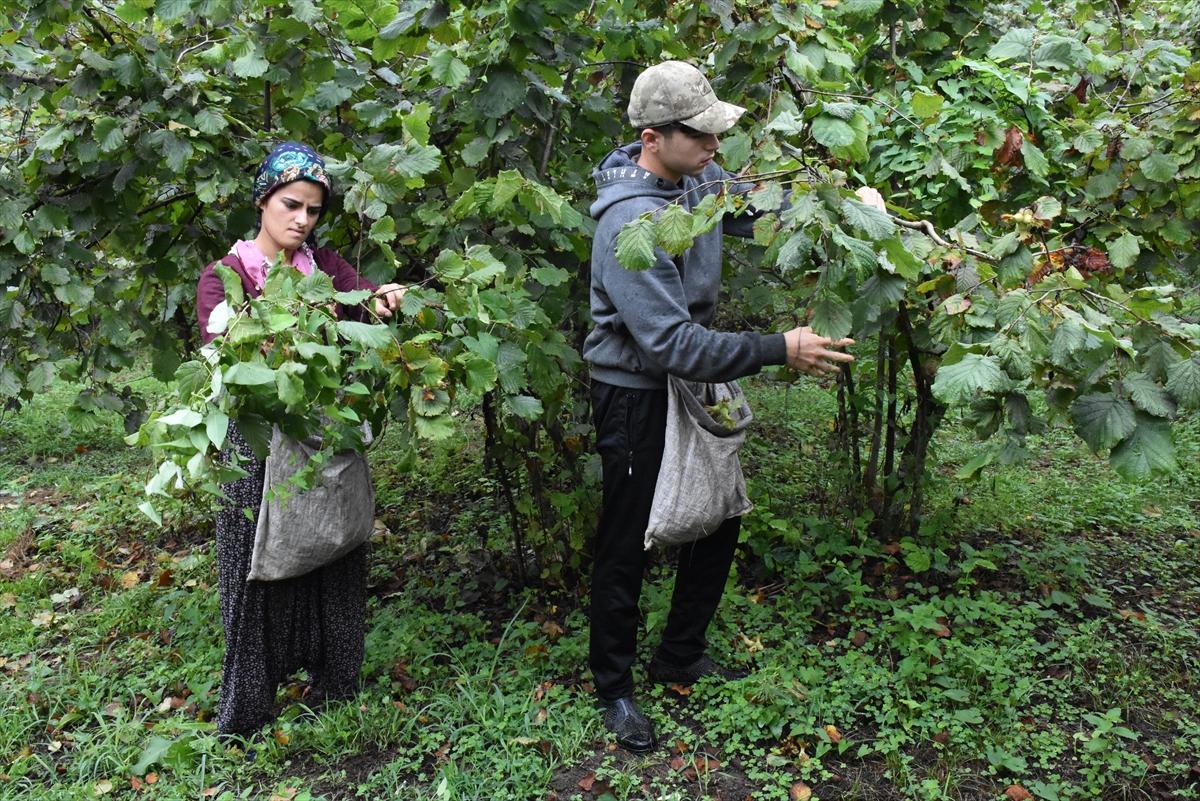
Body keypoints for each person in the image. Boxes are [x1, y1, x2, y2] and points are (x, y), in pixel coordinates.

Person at [583, 61, 883, 752]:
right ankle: (615, 688)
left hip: (693, 379)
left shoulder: (697, 179)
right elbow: (672, 344)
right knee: (628, 541)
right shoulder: (630, 225)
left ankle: (681, 652)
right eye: (702, 136)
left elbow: (756, 207)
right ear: (654, 137)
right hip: (636, 392)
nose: (716, 148)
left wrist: (844, 204)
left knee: (717, 516)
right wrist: (783, 346)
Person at [194, 141, 406, 737]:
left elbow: (360, 299)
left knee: (333, 545)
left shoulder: (326, 267)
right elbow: (223, 353)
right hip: (256, 440)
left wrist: (382, 299)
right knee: (257, 560)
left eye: (313, 211)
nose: (302, 220)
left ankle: (336, 682)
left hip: (321, 436)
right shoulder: (226, 276)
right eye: (291, 205)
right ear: (263, 200)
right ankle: (252, 707)